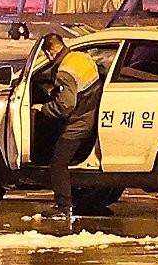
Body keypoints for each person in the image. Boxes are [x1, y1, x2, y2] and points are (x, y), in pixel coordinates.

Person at [33, 33, 102, 219]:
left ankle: (63, 206)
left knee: (58, 163)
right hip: (91, 115)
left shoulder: (65, 71)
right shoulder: (80, 57)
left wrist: (44, 108)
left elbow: (66, 106)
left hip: (78, 124)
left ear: (50, 52)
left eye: (46, 54)